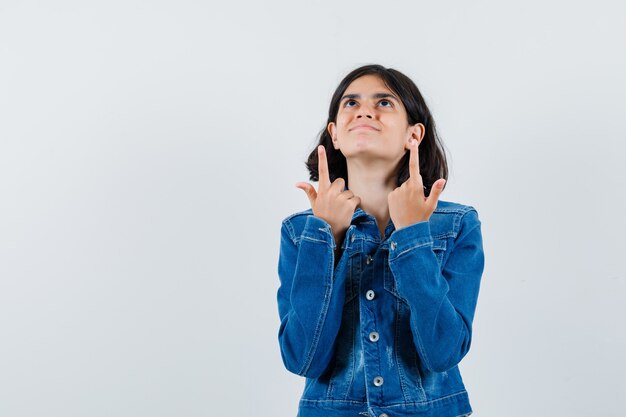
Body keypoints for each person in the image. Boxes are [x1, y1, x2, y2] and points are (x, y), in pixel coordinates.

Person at [276, 64, 485, 417]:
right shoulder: (301, 232)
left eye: (384, 102)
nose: (364, 111)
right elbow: (302, 359)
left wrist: (412, 237)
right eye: (350, 103)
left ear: (413, 135)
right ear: (335, 135)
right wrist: (327, 237)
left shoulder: (457, 224)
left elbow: (443, 353)